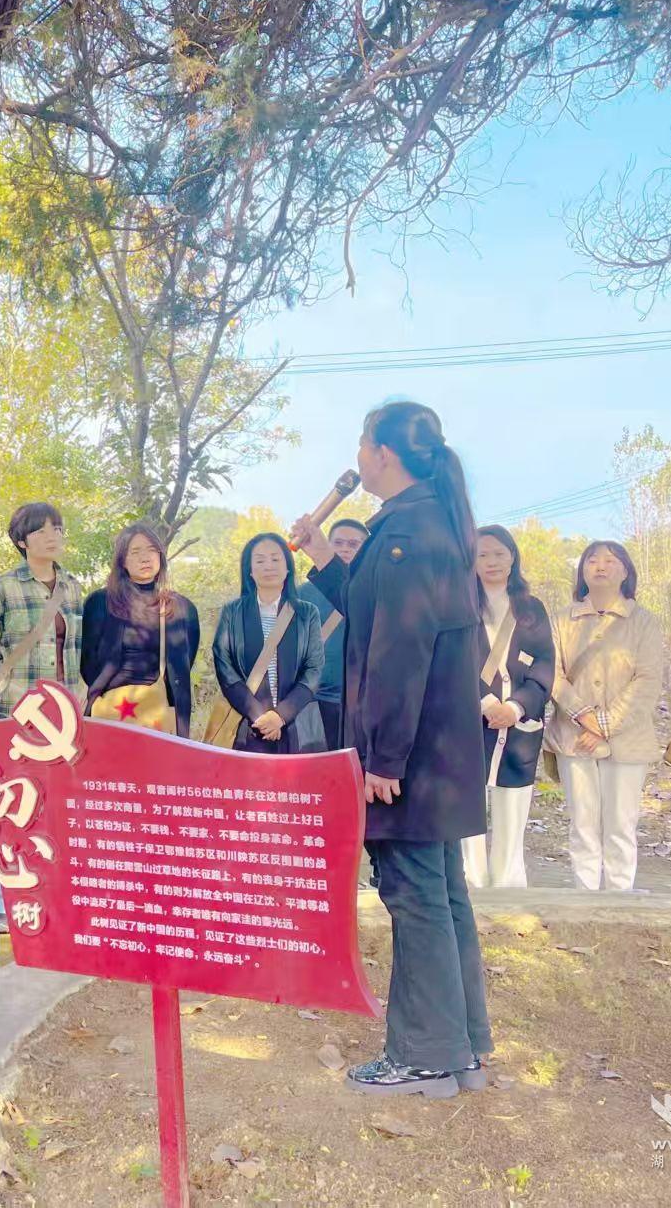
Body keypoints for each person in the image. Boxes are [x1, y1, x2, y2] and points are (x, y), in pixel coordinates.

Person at [290, 401, 491, 1100]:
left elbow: (399, 654)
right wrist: (324, 558)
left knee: (417, 898)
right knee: (442, 893)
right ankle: (462, 1045)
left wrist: (383, 759)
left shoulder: (406, 530)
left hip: (411, 755)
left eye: (362, 443)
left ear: (384, 454)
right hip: (436, 754)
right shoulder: (426, 523)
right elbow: (375, 609)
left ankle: (424, 1055)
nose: (358, 456)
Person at [545, 541, 665, 892]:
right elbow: (552, 674)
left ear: (625, 571)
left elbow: (647, 680)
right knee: (582, 824)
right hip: (573, 737)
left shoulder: (644, 622)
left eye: (610, 561)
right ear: (582, 571)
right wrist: (583, 716)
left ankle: (619, 899)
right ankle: (585, 897)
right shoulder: (562, 620)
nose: (600, 566)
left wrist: (604, 724)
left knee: (621, 826)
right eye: (592, 560)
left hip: (627, 740)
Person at [459, 526, 554, 890]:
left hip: (519, 723)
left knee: (512, 806)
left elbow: (544, 663)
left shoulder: (531, 608)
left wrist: (516, 706)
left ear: (513, 556)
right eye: (482, 554)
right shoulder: (459, 604)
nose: (492, 561)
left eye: (499, 553)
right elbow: (452, 660)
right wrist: (484, 701)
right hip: (469, 718)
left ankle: (509, 888)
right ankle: (471, 884)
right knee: (467, 805)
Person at [80, 524, 200, 738]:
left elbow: (183, 664)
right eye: (135, 552)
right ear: (122, 561)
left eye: (152, 550)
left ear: (161, 556)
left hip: (158, 711)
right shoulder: (99, 602)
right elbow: (88, 663)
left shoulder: (181, 608)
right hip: (109, 709)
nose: (145, 558)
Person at [210, 531, 325, 753]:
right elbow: (225, 667)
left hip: (295, 723)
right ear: (250, 570)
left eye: (275, 559)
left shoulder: (307, 613)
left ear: (287, 567)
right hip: (248, 724)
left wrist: (280, 715)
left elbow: (314, 669)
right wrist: (260, 717)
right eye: (260, 561)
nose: (268, 566)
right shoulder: (233, 612)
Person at [0, 503, 85, 719]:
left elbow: (76, 648)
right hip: (16, 707)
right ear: (21, 541)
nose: (52, 537)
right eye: (41, 531)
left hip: (65, 709)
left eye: (57, 529)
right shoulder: (4, 587)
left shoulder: (71, 587)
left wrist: (82, 689)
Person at [298, 518, 368, 748]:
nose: (345, 549)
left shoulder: (376, 595)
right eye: (338, 543)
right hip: (311, 701)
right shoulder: (303, 594)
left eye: (353, 544)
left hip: (360, 703)